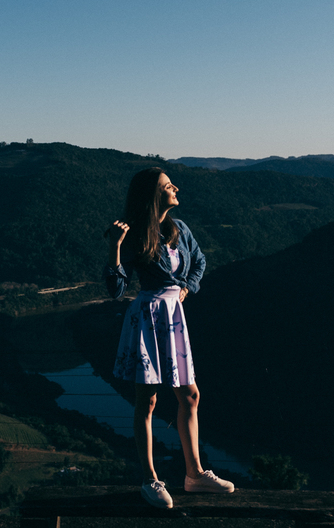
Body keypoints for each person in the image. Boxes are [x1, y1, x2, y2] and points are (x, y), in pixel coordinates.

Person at [104, 167, 235, 509]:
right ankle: (150, 479)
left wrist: (187, 289)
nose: (175, 188)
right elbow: (117, 290)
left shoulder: (180, 229)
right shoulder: (133, 235)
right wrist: (115, 249)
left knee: (189, 396)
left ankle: (195, 475)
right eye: (167, 186)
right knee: (146, 401)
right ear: (152, 195)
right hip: (147, 317)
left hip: (174, 317)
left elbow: (200, 262)